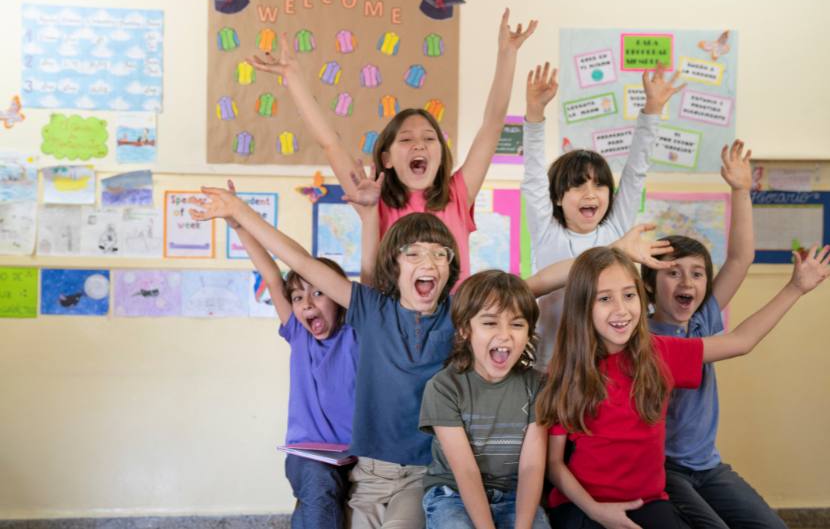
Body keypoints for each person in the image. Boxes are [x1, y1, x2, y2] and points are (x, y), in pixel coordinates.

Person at [189, 185, 676, 529]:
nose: (430, 263)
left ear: (452, 269)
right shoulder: (369, 308)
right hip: (368, 472)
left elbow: (539, 282)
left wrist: (615, 249)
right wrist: (239, 211)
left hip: (424, 475)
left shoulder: (460, 314)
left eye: (441, 255)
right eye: (416, 253)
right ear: (393, 265)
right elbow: (300, 262)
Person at [536, 245, 829, 529]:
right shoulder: (566, 371)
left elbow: (741, 341)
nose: (621, 309)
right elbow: (554, 464)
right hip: (583, 505)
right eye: (604, 299)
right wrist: (597, 511)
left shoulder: (660, 352)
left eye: (628, 295)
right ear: (581, 306)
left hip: (647, 501)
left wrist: (795, 288)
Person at [246, 10, 538, 287]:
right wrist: (293, 78)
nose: (419, 144)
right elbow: (329, 142)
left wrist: (507, 53)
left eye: (429, 138)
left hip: (452, 331)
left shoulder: (457, 195)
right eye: (407, 139)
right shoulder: (373, 200)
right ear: (386, 158)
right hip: (394, 331)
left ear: (440, 156)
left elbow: (492, 126)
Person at [640, 141, 787, 529]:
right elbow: (741, 340)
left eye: (698, 273)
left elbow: (740, 258)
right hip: (665, 468)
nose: (687, 280)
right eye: (673, 272)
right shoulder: (641, 334)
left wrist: (741, 190)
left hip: (708, 465)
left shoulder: (702, 319)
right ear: (650, 285)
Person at [521, 61, 685, 369]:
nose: (590, 194)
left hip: (609, 367)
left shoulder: (617, 230)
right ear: (557, 197)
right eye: (578, 187)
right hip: (552, 367)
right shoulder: (546, 230)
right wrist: (534, 113)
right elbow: (532, 177)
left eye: (599, 185)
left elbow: (636, 171)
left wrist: (652, 109)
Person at [224, 181, 359, 529]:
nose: (307, 304)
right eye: (298, 298)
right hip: (309, 453)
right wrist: (240, 225)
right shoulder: (299, 333)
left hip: (359, 453)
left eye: (318, 293)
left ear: (340, 298)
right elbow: (271, 275)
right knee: (318, 485)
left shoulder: (358, 333)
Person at [419, 270, 550, 529]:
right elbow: (466, 472)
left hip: (516, 496)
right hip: (452, 495)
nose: (504, 335)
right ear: (466, 329)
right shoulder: (443, 388)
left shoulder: (538, 386)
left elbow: (532, 467)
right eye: (490, 323)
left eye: (517, 324)